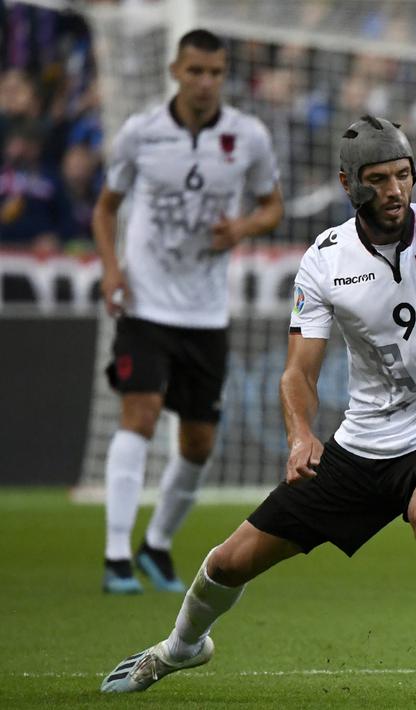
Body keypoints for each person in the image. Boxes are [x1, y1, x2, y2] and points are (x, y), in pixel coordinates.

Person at [98, 114, 416, 703]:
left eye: (403, 175)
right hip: (361, 447)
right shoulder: (324, 260)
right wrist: (302, 434)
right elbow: (299, 372)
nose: (395, 191)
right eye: (377, 179)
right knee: (228, 563)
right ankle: (180, 647)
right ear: (348, 184)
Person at [93, 29, 284, 595]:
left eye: (215, 73)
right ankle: (115, 559)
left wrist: (244, 226)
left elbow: (272, 205)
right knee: (141, 415)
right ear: (176, 70)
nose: (204, 82)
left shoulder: (247, 137)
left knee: (198, 443)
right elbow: (107, 210)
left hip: (206, 312)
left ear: (224, 75)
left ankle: (155, 547)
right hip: (146, 304)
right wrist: (110, 269)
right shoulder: (141, 134)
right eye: (195, 71)